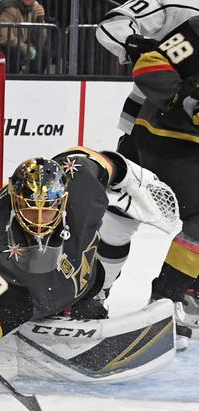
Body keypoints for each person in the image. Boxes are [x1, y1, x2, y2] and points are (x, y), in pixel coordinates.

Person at [0, 147, 179, 400]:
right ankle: (67, 304)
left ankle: (97, 293)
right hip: (29, 279)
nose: (39, 221)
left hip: (77, 264)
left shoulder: (79, 183)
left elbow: (92, 160)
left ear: (63, 201)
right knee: (34, 289)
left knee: (123, 219)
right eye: (30, 210)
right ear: (15, 202)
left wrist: (127, 173)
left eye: (48, 211)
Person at [130, 14, 199, 344]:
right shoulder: (197, 30)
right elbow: (149, 65)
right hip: (168, 141)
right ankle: (165, 300)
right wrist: (185, 100)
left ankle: (189, 291)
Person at [96, 0, 199, 163]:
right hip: (150, 118)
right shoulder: (175, 2)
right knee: (136, 184)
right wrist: (135, 43)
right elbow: (116, 21)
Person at [0, 0, 48, 73]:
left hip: (17, 45)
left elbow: (40, 40)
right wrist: (28, 50)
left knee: (43, 52)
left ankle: (34, 81)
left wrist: (40, 20)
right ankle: (10, 79)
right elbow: (5, 38)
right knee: (15, 52)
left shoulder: (34, 6)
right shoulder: (8, 6)